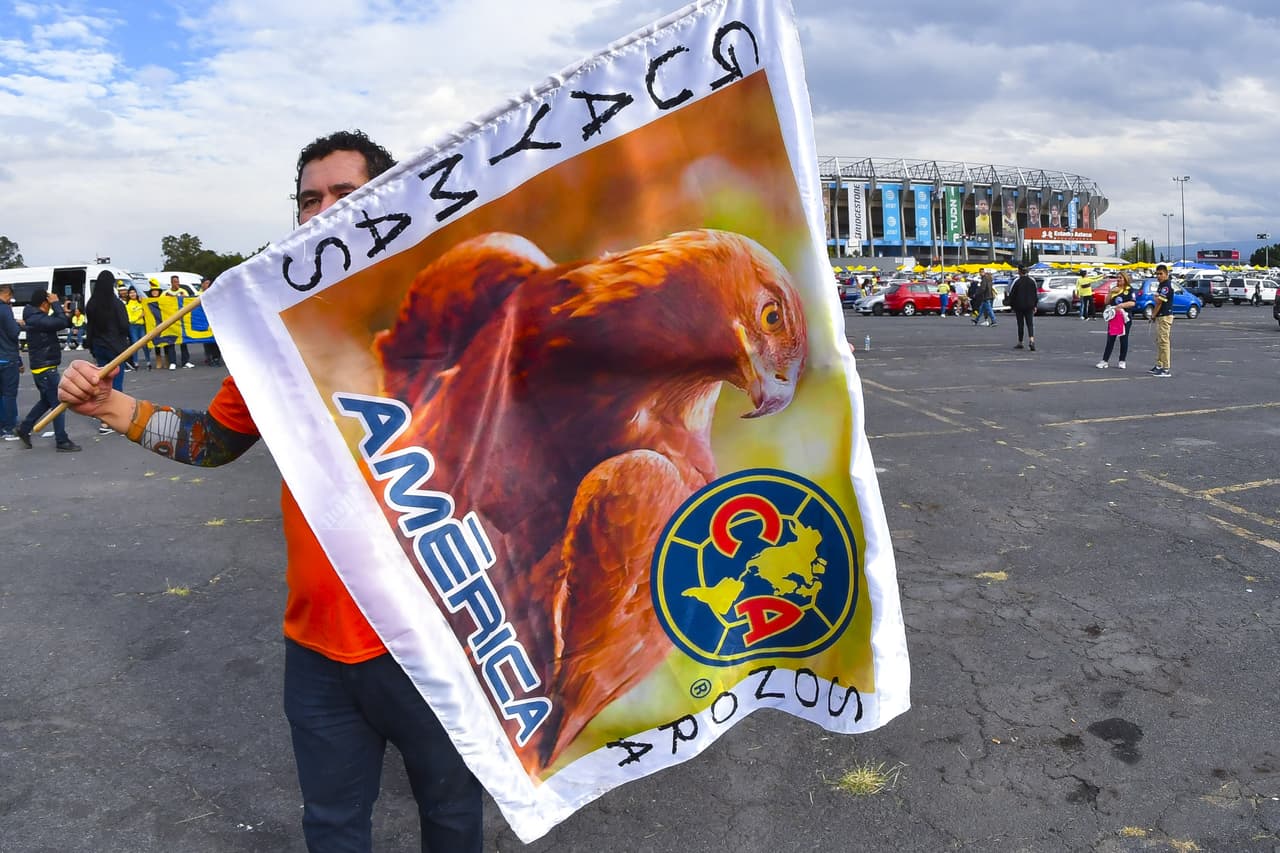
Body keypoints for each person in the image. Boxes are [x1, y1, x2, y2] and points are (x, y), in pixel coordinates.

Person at [58, 129, 482, 852]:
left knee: (450, 821)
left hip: (437, 641)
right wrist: (114, 409)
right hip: (317, 648)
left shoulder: (453, 318)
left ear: (386, 201)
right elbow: (214, 440)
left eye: (345, 195)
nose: (321, 212)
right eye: (308, 199)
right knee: (333, 828)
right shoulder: (275, 337)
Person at [15, 289, 80, 452]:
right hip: (45, 368)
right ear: (44, 303)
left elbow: (61, 321)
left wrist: (61, 310)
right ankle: (62, 440)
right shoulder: (37, 318)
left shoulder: (34, 316)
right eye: (49, 303)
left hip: (43, 366)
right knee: (59, 404)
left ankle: (24, 428)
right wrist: (57, 304)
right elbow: (60, 323)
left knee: (46, 400)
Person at [85, 269, 133, 435]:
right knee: (116, 384)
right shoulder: (116, 303)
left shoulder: (91, 304)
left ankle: (102, 415)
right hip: (115, 348)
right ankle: (109, 421)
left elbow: (89, 327)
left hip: (98, 346)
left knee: (102, 383)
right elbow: (124, 326)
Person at [1097, 272, 1136, 369]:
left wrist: (1122, 305)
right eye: (1117, 278)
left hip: (1125, 317)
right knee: (1110, 339)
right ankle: (1105, 360)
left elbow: (1132, 303)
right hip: (1114, 317)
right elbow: (1106, 302)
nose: (1118, 280)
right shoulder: (1114, 289)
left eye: (1120, 278)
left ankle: (1122, 360)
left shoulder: (1130, 290)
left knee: (1124, 338)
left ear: (1125, 279)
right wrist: (1110, 292)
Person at [0, 282, 22, 439]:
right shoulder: (5, 310)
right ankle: (10, 427)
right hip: (7, 357)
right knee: (9, 394)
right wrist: (17, 324)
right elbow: (14, 333)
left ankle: (2, 427)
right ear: (7, 295)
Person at [1149, 264, 1175, 377]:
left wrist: (1153, 315)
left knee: (1164, 342)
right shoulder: (1161, 285)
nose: (1159, 276)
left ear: (1166, 274)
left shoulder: (1166, 286)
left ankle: (1166, 368)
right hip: (1161, 316)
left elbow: (1159, 302)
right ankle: (1159, 365)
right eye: (1157, 274)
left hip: (1165, 316)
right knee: (1159, 341)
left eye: (1161, 274)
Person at [1008, 264, 1038, 351]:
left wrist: (1012, 305)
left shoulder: (1017, 282)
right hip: (1029, 306)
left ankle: (1020, 342)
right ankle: (1031, 340)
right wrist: (1035, 305)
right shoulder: (1032, 281)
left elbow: (1012, 294)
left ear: (1019, 271)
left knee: (1020, 324)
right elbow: (1035, 295)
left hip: (1019, 306)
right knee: (1030, 324)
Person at [167, 276, 196, 368]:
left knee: (184, 341)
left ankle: (185, 361)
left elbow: (188, 303)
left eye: (178, 281)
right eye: (175, 282)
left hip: (182, 320)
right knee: (171, 342)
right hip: (171, 321)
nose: (177, 283)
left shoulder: (183, 291)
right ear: (171, 282)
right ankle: (172, 362)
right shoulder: (166, 293)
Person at [197, 277, 223, 366]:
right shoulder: (198, 295)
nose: (208, 285)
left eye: (209, 283)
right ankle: (209, 357)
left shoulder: (214, 294)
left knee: (215, 340)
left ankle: (216, 358)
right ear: (202, 284)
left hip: (214, 320)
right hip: (203, 321)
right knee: (207, 340)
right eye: (206, 283)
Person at [125, 289, 152, 370]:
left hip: (142, 326)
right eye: (130, 293)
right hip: (133, 326)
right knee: (135, 344)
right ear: (128, 295)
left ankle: (148, 361)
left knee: (145, 344)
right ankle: (135, 362)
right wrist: (139, 317)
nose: (132, 294)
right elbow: (130, 319)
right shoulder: (127, 305)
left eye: (134, 292)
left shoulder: (141, 303)